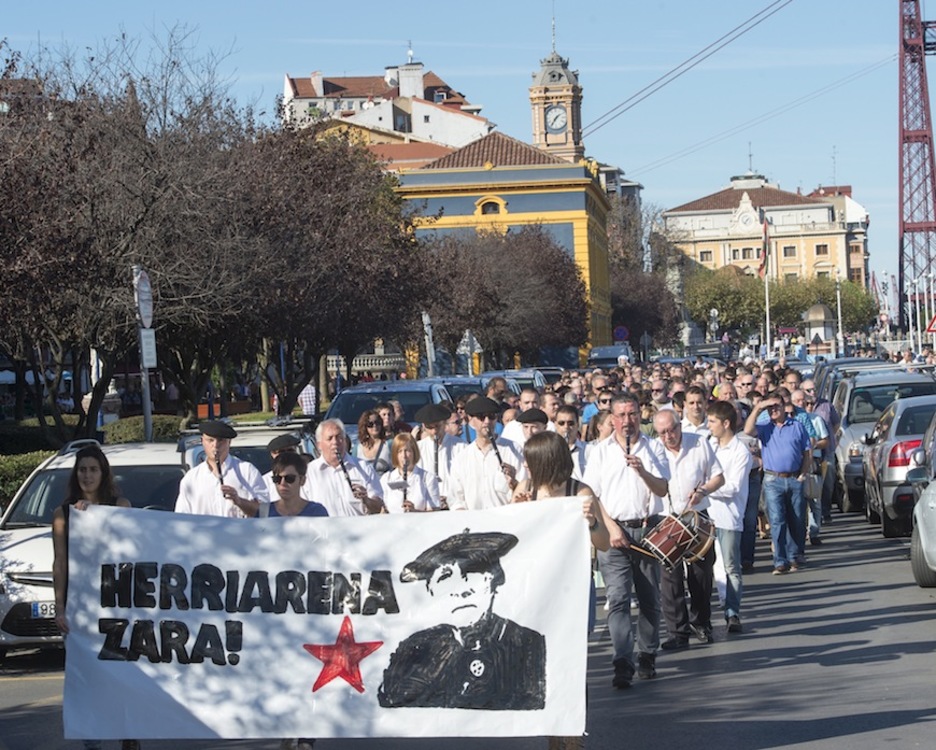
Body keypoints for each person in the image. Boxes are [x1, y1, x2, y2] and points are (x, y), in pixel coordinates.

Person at [378, 530, 546, 710]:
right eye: (445, 576)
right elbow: (393, 703)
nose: (463, 589)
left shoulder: (526, 643)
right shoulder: (415, 648)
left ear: (493, 580)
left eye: (472, 571)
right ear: (430, 590)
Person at [52, 445, 140, 750]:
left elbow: (129, 549)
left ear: (103, 473)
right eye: (82, 470)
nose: (87, 476)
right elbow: (60, 562)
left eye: (93, 469)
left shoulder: (120, 506)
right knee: (86, 676)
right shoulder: (63, 514)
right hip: (80, 608)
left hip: (115, 605)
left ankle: (129, 732)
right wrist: (60, 607)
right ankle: (92, 740)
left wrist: (98, 517)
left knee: (122, 672)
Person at [582, 394, 669, 689]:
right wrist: (610, 528)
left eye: (632, 414)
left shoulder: (653, 447)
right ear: (612, 419)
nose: (627, 421)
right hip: (614, 531)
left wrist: (642, 471)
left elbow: (662, 488)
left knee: (649, 599)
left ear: (639, 415)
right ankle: (622, 661)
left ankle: (647, 654)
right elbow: (591, 495)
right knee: (618, 598)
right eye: (621, 415)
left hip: (647, 530)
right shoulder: (600, 452)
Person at [653, 409, 724, 649]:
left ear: (679, 426)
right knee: (670, 579)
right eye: (662, 433)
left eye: (672, 430)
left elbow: (719, 477)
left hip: (696, 515)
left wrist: (703, 491)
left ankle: (701, 622)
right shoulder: (654, 449)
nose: (668, 436)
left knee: (701, 574)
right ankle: (677, 632)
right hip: (666, 518)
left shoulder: (699, 443)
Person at [744, 392, 812, 574]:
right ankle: (780, 561)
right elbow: (748, 430)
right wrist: (759, 407)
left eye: (776, 406)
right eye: (770, 407)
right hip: (773, 479)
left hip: (794, 477)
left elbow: (807, 452)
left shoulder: (797, 426)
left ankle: (795, 555)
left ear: (784, 407)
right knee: (777, 521)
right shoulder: (765, 427)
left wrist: (803, 474)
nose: (773, 410)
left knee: (797, 519)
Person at [706, 401, 753, 633]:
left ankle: (732, 612)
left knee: (731, 566)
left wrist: (705, 489)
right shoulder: (709, 446)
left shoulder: (740, 452)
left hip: (728, 517)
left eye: (712, 422)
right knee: (704, 567)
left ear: (726, 424)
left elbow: (733, 486)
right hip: (706, 515)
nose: (708, 426)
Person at [176, 421, 268, 517]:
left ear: (229, 442)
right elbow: (182, 517)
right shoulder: (191, 478)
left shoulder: (247, 471)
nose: (215, 445)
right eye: (210, 440)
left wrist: (239, 501)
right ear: (202, 441)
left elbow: (264, 512)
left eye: (220, 440)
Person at [447, 397, 523, 511]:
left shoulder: (514, 449)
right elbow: (455, 499)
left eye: (491, 416)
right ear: (470, 420)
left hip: (506, 517)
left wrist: (515, 484)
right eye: (481, 417)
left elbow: (525, 489)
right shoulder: (462, 458)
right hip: (474, 519)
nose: (487, 421)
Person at [306, 419, 384, 516]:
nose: (335, 442)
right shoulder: (309, 472)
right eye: (329, 438)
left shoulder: (363, 467)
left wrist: (366, 500)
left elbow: (379, 507)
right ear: (319, 445)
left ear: (345, 441)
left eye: (339, 437)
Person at [415, 403, 462, 508]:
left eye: (437, 426)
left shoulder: (461, 446)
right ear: (424, 426)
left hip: (454, 507)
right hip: (427, 507)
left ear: (444, 423)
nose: (434, 431)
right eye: (429, 427)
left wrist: (449, 499)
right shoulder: (418, 448)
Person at [381, 433, 442, 512]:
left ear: (414, 452)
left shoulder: (427, 478)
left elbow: (434, 512)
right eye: (399, 451)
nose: (404, 456)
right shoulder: (387, 478)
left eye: (407, 451)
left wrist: (414, 511)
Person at [555, 404, 587, 481]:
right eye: (561, 423)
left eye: (570, 423)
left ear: (577, 425)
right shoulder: (549, 450)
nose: (566, 427)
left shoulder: (590, 450)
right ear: (555, 425)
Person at [356, 409, 392, 475]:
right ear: (365, 427)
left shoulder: (389, 444)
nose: (374, 426)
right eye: (370, 424)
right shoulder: (357, 448)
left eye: (377, 422)